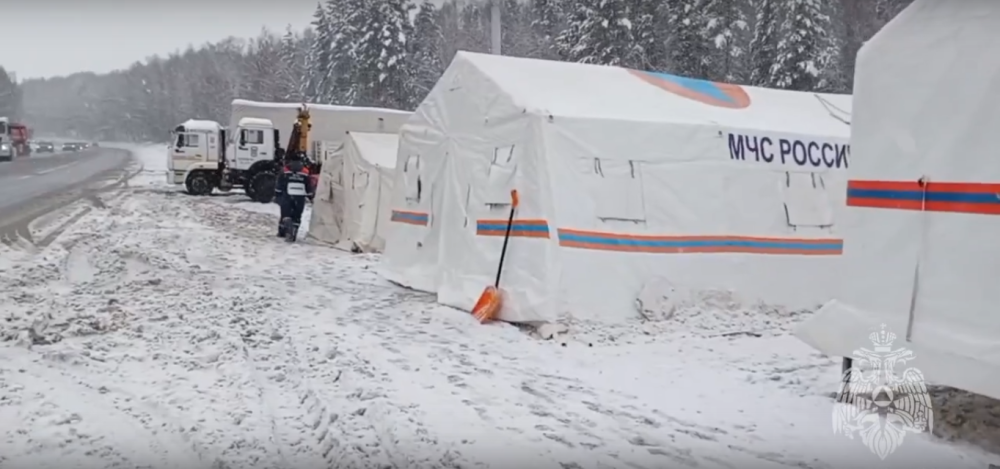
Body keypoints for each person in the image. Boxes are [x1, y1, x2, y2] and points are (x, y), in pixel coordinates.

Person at [274, 154, 313, 241]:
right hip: (300, 198)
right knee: (297, 215)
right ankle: (294, 230)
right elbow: (308, 185)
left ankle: (284, 230)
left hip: (287, 196)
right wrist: (310, 195)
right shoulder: (305, 172)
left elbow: (280, 183)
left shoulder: (285, 170)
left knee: (285, 214)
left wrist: (277, 193)